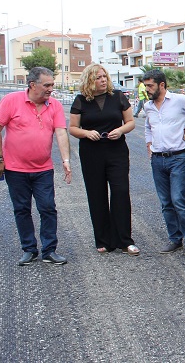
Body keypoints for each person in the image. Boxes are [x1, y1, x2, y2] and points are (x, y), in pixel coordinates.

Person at [0, 67, 72, 266]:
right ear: (32, 85)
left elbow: (61, 133)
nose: (51, 89)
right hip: (15, 170)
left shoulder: (54, 105)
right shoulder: (11, 101)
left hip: (43, 169)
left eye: (52, 85)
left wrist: (66, 161)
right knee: (22, 209)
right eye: (47, 85)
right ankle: (29, 249)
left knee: (48, 208)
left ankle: (49, 250)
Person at [69, 64, 140, 255]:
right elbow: (73, 128)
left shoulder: (118, 96)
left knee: (121, 191)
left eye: (104, 77)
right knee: (96, 194)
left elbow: (130, 122)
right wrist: (86, 133)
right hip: (91, 152)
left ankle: (125, 240)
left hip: (116, 150)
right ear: (89, 81)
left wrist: (120, 130)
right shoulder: (80, 100)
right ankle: (103, 240)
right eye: (98, 77)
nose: (102, 80)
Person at [142, 69, 185, 257]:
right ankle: (175, 239)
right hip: (157, 159)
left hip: (178, 157)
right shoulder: (148, 107)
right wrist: (149, 145)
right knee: (165, 202)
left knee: (178, 199)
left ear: (162, 85)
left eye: (150, 86)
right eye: (145, 86)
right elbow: (148, 127)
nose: (147, 90)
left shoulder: (180, 101)